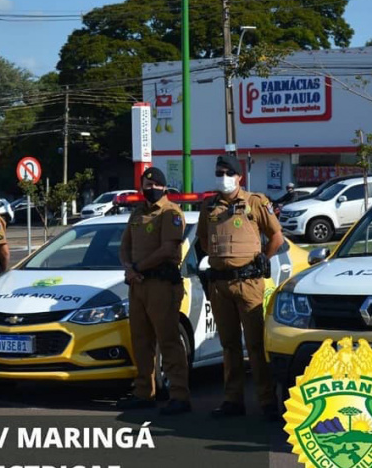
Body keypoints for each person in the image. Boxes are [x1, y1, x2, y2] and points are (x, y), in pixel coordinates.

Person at [197, 155, 283, 420]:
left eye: (226, 172)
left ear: (238, 177)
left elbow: (277, 236)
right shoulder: (209, 206)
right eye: (218, 171)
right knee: (229, 345)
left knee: (256, 345)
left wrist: (262, 259)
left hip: (248, 283)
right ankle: (232, 400)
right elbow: (203, 240)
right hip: (220, 285)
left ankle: (267, 401)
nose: (221, 176)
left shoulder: (255, 203)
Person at [116, 167, 191, 416]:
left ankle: (179, 394)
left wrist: (138, 267)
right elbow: (125, 245)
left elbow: (168, 250)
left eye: (153, 185)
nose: (148, 189)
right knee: (141, 340)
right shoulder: (138, 213)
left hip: (161, 285)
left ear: (162, 186)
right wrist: (129, 268)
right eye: (144, 185)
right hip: (138, 285)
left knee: (168, 340)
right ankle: (143, 392)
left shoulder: (170, 213)